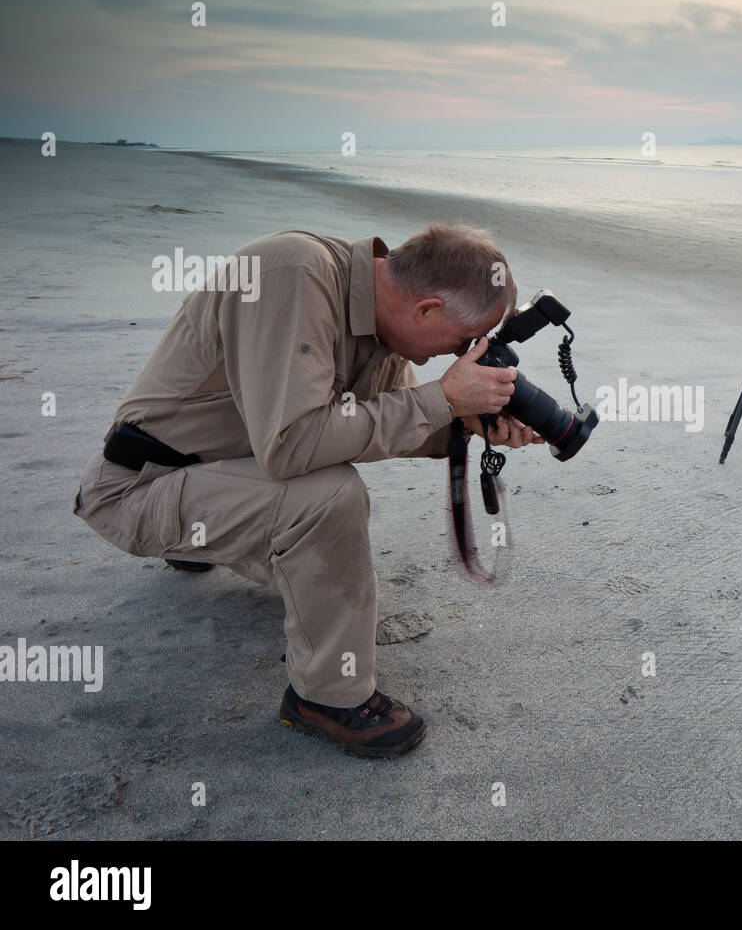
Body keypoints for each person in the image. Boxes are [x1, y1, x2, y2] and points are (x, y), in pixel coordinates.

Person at [73, 224, 546, 758]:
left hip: (216, 472)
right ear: (427, 309)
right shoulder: (292, 276)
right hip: (137, 487)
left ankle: (201, 537)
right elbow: (293, 444)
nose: (458, 357)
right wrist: (442, 400)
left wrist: (466, 426)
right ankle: (325, 699)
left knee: (321, 487)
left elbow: (382, 419)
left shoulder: (377, 320)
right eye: (464, 341)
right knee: (328, 496)